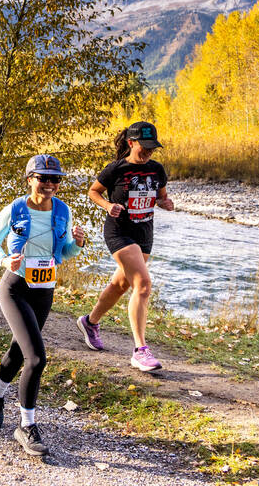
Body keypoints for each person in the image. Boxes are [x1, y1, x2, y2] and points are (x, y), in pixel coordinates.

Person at [0, 154, 86, 456]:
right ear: (30, 179)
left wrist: (77, 244)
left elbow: (62, 253)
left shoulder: (63, 211)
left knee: (19, 351)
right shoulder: (14, 209)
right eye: (44, 178)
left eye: (56, 179)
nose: (51, 184)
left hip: (44, 290)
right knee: (37, 358)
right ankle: (27, 427)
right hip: (15, 288)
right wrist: (4, 259)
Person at [76, 121, 175, 371]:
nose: (149, 152)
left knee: (122, 284)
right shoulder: (116, 169)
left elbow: (161, 196)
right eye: (145, 147)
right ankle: (140, 350)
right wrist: (109, 206)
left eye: (153, 148)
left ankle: (90, 322)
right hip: (119, 232)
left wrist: (165, 203)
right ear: (131, 143)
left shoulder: (157, 169)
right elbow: (93, 192)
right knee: (143, 284)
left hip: (144, 233)